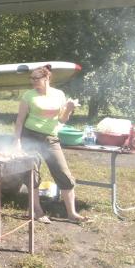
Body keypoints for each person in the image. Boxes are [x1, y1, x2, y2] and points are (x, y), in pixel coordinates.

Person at [14, 65, 90, 224]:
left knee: (63, 173)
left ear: (47, 78)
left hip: (50, 138)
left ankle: (72, 213)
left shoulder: (59, 94)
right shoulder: (29, 96)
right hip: (30, 136)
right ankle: (37, 210)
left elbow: (62, 119)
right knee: (32, 173)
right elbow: (20, 121)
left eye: (36, 78)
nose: (33, 81)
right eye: (31, 78)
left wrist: (68, 109)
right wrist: (17, 142)